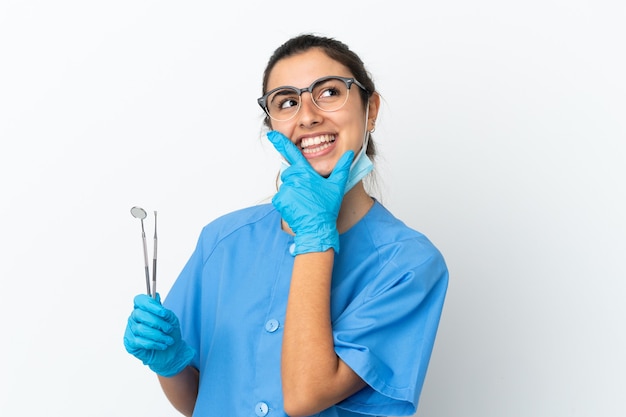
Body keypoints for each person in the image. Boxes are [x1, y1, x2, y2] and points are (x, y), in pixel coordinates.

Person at [124, 33, 449, 417]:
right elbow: (199, 402)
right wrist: (172, 363)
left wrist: (315, 236)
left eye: (329, 92)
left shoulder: (408, 265)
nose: (308, 115)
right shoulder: (223, 242)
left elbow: (305, 397)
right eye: (288, 101)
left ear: (371, 110)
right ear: (273, 126)